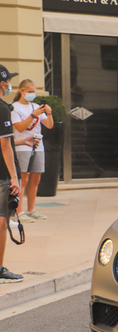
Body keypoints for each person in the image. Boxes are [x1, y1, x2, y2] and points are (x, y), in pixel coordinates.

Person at [10, 79, 53, 222]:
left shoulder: (35, 106)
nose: (32, 94)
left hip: (38, 146)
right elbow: (20, 127)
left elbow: (49, 125)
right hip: (22, 146)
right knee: (23, 179)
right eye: (29, 92)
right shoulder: (14, 107)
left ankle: (31, 209)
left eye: (33, 92)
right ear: (21, 91)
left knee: (36, 178)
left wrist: (49, 114)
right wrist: (33, 115)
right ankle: (19, 210)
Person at [0, 64, 24, 282]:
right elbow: (5, 146)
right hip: (2, 175)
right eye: (8, 81)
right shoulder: (3, 108)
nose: (10, 86)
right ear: (2, 83)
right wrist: (14, 178)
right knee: (1, 221)